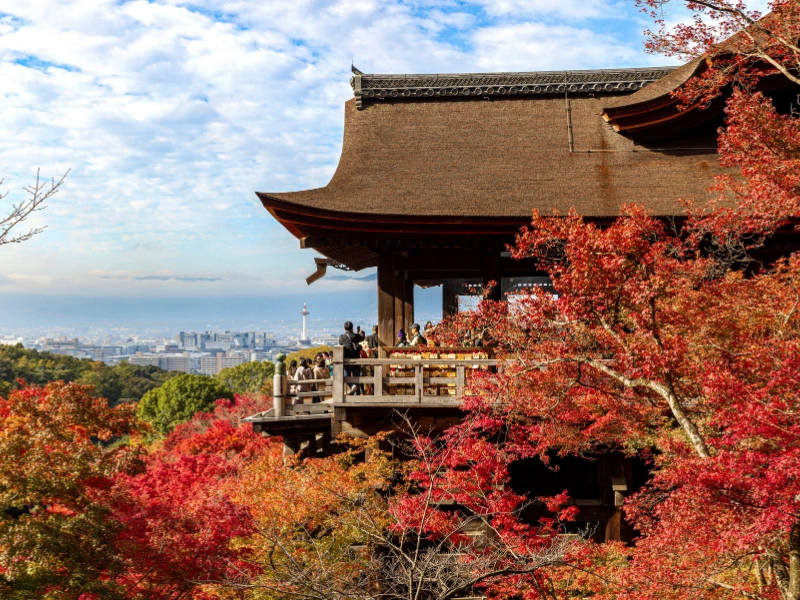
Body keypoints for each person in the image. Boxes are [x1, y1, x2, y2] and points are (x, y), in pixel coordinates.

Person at [339, 321, 364, 394]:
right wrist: (361, 332)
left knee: (345, 376)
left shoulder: (342, 337)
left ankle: (352, 386)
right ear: (352, 328)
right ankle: (356, 397)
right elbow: (362, 338)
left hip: (347, 360)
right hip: (356, 359)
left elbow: (340, 343)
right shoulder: (356, 336)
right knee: (356, 378)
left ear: (344, 328)